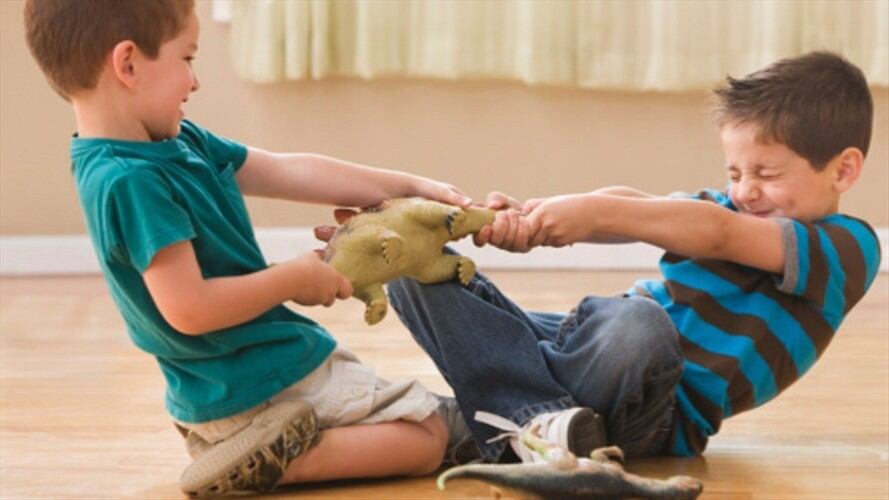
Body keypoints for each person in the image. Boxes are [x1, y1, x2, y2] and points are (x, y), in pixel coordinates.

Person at [23, 0, 474, 496]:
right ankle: (282, 459)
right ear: (128, 64)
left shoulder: (171, 145)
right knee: (429, 434)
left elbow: (285, 170)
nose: (195, 81)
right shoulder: (132, 180)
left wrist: (408, 186)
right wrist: (294, 278)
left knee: (427, 416)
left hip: (216, 394)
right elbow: (190, 310)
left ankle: (241, 445)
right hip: (260, 380)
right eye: (187, 58)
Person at [386, 51, 881, 464]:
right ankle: (535, 425)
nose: (744, 191)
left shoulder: (847, 248)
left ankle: (504, 416)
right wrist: (537, 216)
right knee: (414, 267)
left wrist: (595, 214)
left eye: (767, 174)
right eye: (734, 173)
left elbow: (718, 233)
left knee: (638, 325)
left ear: (843, 170)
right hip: (583, 357)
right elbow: (643, 206)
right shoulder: (728, 206)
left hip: (655, 408)